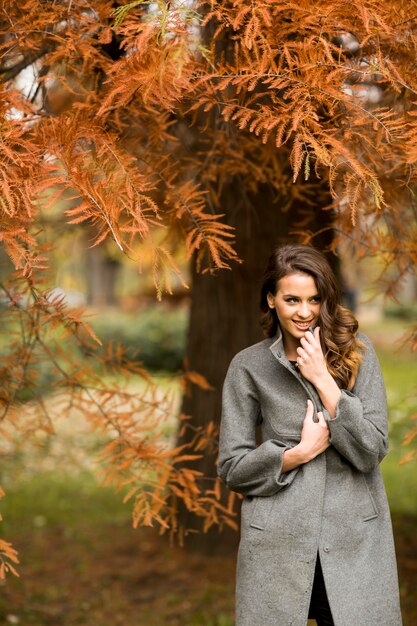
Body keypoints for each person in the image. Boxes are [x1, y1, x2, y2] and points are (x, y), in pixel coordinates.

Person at [218, 244, 402, 626]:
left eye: (314, 299)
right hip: (277, 542)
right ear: (271, 300)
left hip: (354, 538)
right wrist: (296, 454)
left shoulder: (360, 354)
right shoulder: (247, 367)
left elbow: (372, 450)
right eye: (292, 299)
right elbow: (232, 468)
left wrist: (324, 381)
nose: (304, 312)